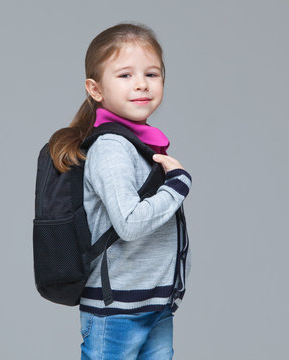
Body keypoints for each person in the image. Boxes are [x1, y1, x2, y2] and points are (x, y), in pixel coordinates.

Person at [47, 22, 192, 360]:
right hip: (117, 311)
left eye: (151, 74)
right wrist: (178, 185)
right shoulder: (112, 148)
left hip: (152, 304)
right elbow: (129, 223)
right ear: (95, 89)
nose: (141, 83)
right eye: (125, 75)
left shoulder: (141, 144)